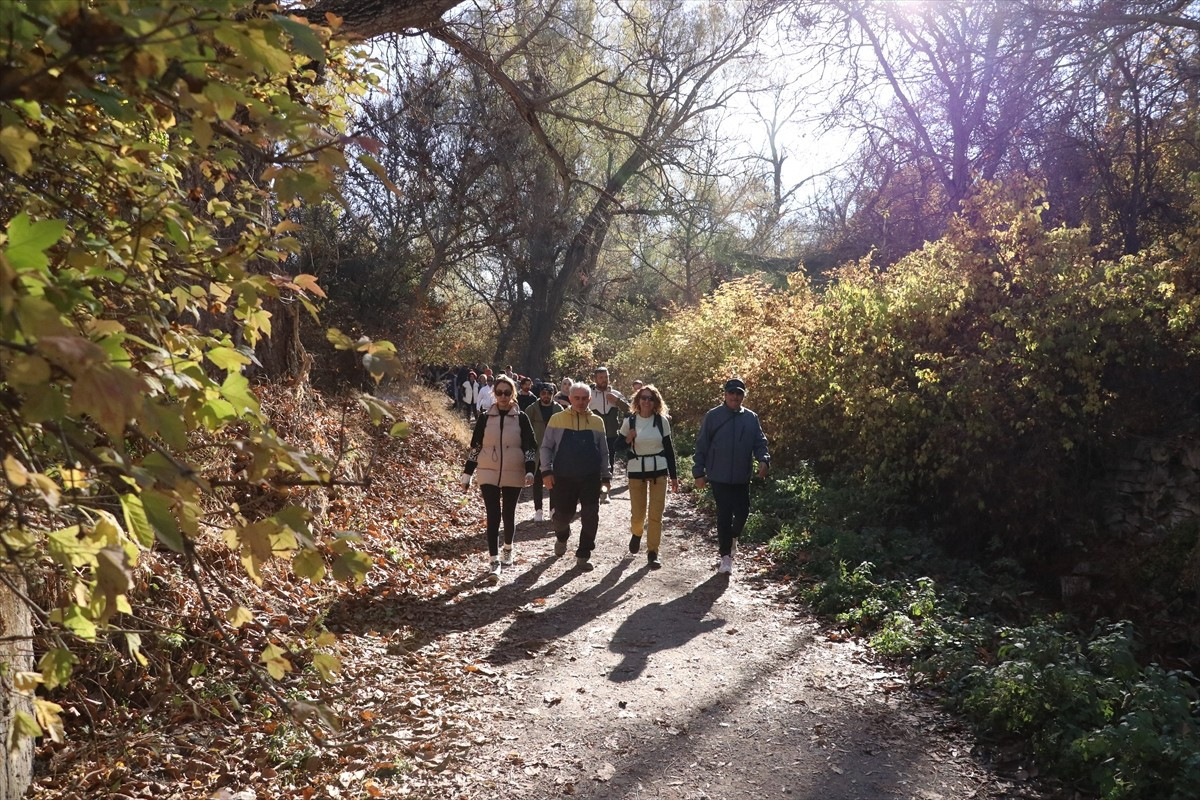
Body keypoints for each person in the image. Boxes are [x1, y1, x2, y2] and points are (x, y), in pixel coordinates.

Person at [460, 375, 537, 584]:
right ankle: (494, 560)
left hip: (514, 470)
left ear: (513, 394)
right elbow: (475, 447)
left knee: (508, 513)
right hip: (487, 471)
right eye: (500, 392)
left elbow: (530, 447)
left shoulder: (521, 418)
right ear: (494, 393)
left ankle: (508, 548)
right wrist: (467, 474)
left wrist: (530, 470)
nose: (503, 396)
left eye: (507, 392)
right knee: (493, 514)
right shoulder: (485, 418)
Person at [692, 378, 770, 574]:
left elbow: (760, 442)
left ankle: (733, 537)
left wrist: (764, 459)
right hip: (718, 476)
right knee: (724, 514)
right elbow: (702, 445)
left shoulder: (751, 418)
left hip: (742, 476)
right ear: (725, 395)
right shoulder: (713, 416)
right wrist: (698, 472)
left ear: (743, 396)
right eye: (732, 393)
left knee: (743, 512)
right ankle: (725, 557)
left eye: (739, 393)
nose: (735, 396)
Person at [540, 381, 611, 571]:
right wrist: (546, 471)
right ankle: (562, 537)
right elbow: (546, 447)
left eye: (584, 398)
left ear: (590, 399)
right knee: (561, 518)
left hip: (590, 477)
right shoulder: (557, 419)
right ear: (570, 398)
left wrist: (606, 476)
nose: (580, 402)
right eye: (576, 398)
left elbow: (604, 452)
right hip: (563, 477)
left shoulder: (597, 422)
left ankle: (583, 554)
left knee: (590, 516)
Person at [618, 384, 678, 569]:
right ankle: (636, 533)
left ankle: (653, 552)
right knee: (638, 515)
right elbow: (618, 447)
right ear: (637, 400)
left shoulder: (661, 421)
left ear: (655, 402)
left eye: (650, 398)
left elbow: (669, 450)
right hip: (636, 470)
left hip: (659, 470)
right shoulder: (630, 421)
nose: (646, 401)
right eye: (643, 397)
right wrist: (629, 438)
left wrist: (674, 476)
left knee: (655, 515)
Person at [525, 381, 565, 522]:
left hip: (554, 450)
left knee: (553, 481)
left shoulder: (559, 409)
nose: (546, 396)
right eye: (543, 393)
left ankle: (553, 509)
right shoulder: (532, 409)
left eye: (549, 393)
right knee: (537, 481)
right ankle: (538, 510)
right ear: (539, 394)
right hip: (537, 450)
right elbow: (524, 427)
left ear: (553, 394)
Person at [588, 366, 628, 501]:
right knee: (592, 463)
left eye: (606, 377)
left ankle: (605, 492)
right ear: (595, 379)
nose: (604, 380)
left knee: (609, 464)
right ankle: (591, 491)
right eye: (601, 377)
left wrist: (616, 401)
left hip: (611, 435)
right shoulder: (590, 394)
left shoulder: (615, 393)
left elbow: (630, 410)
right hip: (592, 435)